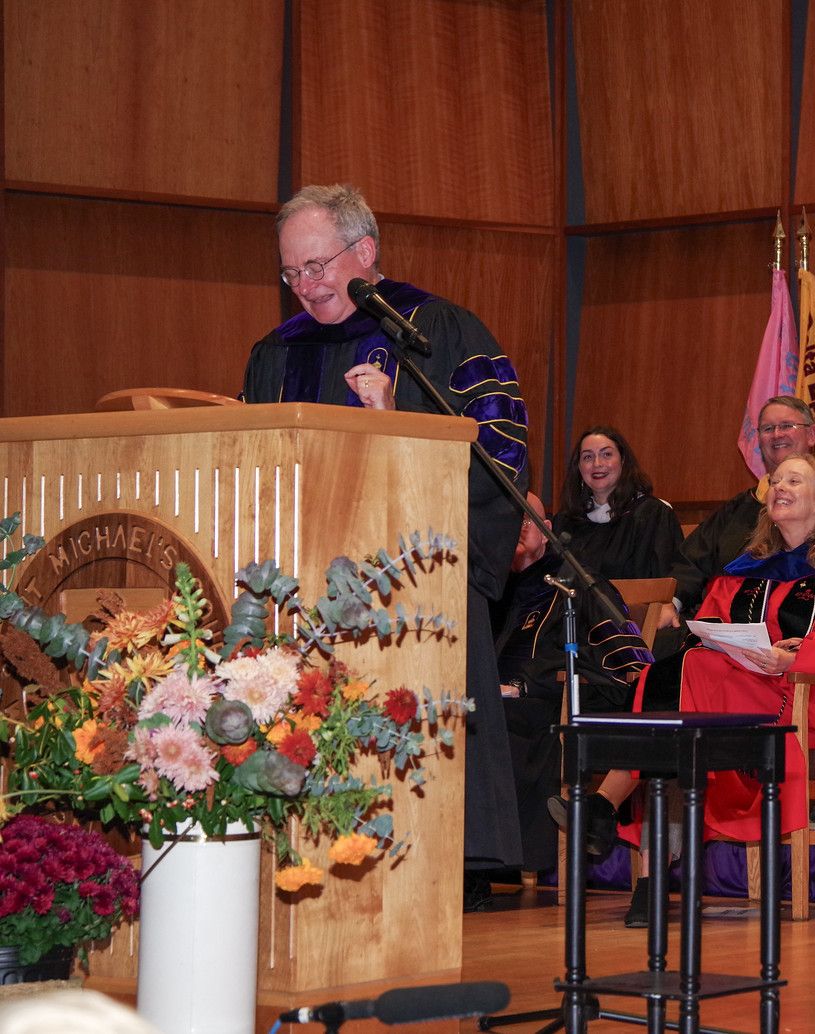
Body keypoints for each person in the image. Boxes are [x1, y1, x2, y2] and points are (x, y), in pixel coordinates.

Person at [241, 183, 530, 881]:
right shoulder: (276, 352)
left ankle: (450, 859)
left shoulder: (438, 331)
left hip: (411, 575)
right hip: (302, 575)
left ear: (363, 252)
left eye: (317, 267)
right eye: (291, 273)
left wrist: (399, 417)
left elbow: (499, 444)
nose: (305, 288)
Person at [554, 453, 815, 925]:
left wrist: (794, 656)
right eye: (775, 481)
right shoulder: (742, 572)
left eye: (794, 480)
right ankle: (647, 875)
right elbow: (704, 631)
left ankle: (605, 810)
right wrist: (720, 640)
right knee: (675, 691)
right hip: (724, 693)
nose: (779, 486)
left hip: (797, 698)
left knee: (683, 682)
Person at [495, 492, 651, 882]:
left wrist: (524, 686)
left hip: (547, 708)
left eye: (527, 517)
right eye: (509, 518)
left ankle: (487, 869)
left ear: (548, 530)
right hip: (492, 702)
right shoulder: (490, 589)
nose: (518, 526)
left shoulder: (577, 583)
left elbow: (628, 667)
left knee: (497, 730)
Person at [667, 396, 815, 623]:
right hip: (727, 624)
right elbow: (692, 561)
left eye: (787, 426)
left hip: (810, 628)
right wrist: (672, 603)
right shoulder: (739, 507)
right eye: (768, 428)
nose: (777, 435)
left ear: (811, 435)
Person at [553, 426, 682, 581]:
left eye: (606, 454)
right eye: (588, 457)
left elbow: (665, 585)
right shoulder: (565, 522)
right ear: (579, 467)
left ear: (623, 460)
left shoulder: (652, 515)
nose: (597, 463)